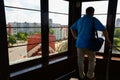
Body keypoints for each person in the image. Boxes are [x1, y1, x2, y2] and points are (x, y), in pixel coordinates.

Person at [70, 7, 111, 80]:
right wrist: (107, 40)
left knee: (80, 60)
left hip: (79, 43)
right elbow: (104, 29)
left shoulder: (80, 20)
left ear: (86, 12)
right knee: (91, 60)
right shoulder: (93, 19)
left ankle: (81, 76)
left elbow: (72, 28)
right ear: (93, 12)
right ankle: (90, 76)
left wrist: (76, 37)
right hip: (89, 43)